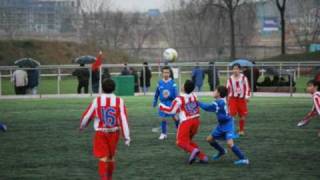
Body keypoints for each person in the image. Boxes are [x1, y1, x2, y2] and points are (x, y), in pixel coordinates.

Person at [80, 79, 130, 180]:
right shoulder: (119, 101)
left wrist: (82, 125)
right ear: (114, 88)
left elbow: (87, 115)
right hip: (115, 132)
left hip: (101, 133)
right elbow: (123, 119)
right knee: (111, 158)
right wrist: (126, 136)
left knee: (103, 158)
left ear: (102, 88)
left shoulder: (97, 100)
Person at [160, 80, 208, 164]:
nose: (181, 85)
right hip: (196, 121)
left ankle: (193, 150)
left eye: (183, 84)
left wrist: (161, 106)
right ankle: (202, 157)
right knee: (188, 141)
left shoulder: (179, 99)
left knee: (180, 141)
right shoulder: (194, 95)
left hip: (186, 122)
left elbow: (171, 111)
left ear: (184, 87)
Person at [199, 86, 249, 165]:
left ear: (218, 93)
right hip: (221, 124)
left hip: (228, 124)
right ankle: (222, 151)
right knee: (209, 139)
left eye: (215, 90)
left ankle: (244, 159)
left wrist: (197, 102)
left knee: (230, 143)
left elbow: (207, 108)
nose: (213, 91)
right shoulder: (220, 100)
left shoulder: (219, 103)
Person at [153, 66, 178, 140]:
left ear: (170, 73)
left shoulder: (173, 83)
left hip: (171, 103)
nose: (166, 74)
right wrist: (155, 100)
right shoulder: (159, 83)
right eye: (164, 72)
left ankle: (179, 131)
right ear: (162, 73)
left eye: (167, 72)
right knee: (163, 118)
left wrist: (170, 96)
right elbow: (157, 93)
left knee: (175, 117)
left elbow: (176, 94)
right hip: (163, 103)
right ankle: (164, 133)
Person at [227, 63, 250, 136]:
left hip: (241, 99)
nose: (235, 70)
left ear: (240, 70)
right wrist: (226, 99)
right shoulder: (230, 79)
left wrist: (247, 96)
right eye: (234, 69)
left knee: (242, 115)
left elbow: (247, 88)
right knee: (231, 115)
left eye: (237, 69)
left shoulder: (244, 78)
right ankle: (231, 130)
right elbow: (227, 89)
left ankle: (241, 130)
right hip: (232, 99)